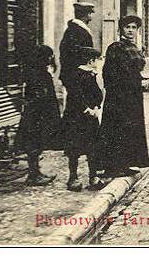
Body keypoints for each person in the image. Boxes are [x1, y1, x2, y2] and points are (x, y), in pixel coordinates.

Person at [98, 15, 149, 177]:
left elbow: (136, 70)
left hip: (133, 95)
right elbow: (110, 73)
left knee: (130, 128)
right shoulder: (116, 47)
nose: (130, 30)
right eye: (127, 27)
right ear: (121, 29)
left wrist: (141, 78)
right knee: (117, 128)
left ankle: (125, 163)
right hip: (119, 96)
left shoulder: (134, 47)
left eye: (134, 27)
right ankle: (113, 166)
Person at [15, 43, 64, 186]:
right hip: (37, 116)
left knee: (35, 144)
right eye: (49, 56)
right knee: (34, 144)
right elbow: (42, 97)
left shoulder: (35, 73)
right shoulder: (39, 75)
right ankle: (33, 175)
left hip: (35, 115)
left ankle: (35, 172)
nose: (51, 58)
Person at [61, 46, 105, 192]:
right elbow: (75, 96)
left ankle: (93, 177)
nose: (99, 62)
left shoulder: (92, 75)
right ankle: (72, 178)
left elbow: (98, 94)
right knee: (74, 148)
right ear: (90, 60)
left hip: (91, 118)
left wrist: (97, 107)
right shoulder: (76, 75)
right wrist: (87, 109)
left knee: (92, 147)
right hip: (76, 118)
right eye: (98, 59)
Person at [58, 2, 95, 89]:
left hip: (75, 74)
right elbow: (73, 52)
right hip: (76, 74)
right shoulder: (77, 30)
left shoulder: (75, 29)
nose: (91, 17)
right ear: (87, 15)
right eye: (90, 14)